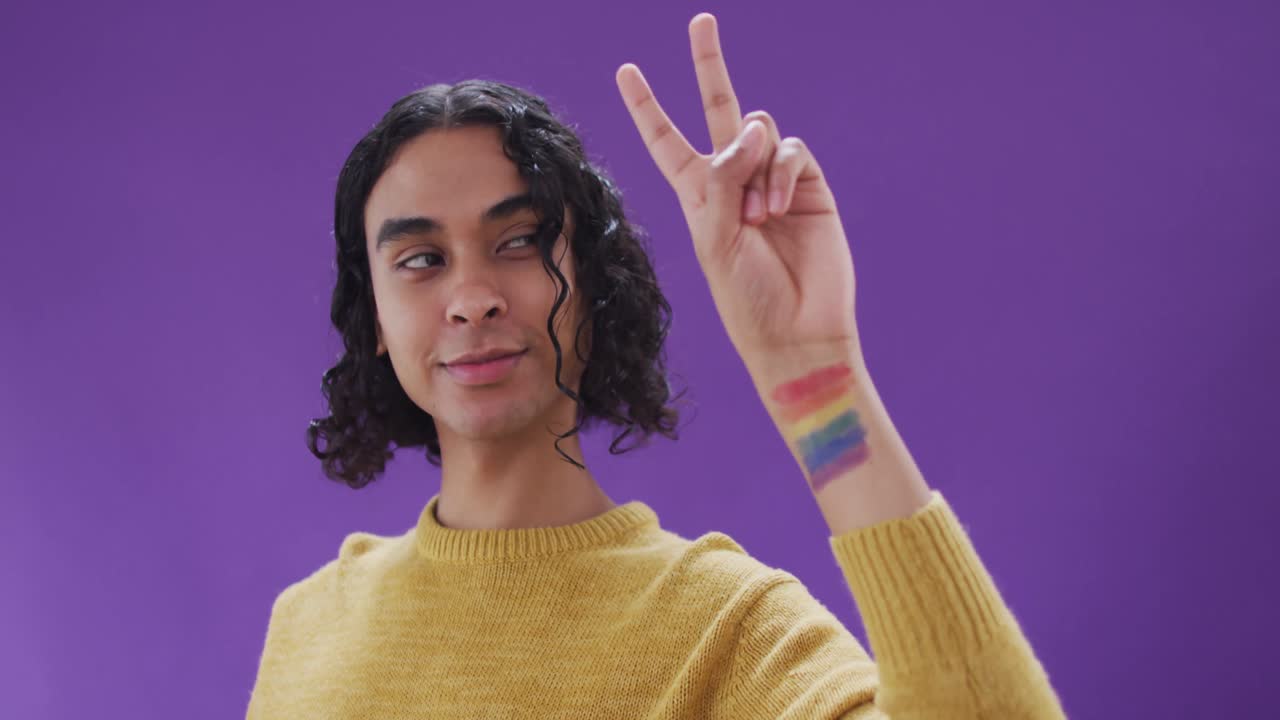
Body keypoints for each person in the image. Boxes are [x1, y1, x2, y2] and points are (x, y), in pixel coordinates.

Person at [246, 12, 1067, 719]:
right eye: (421, 259)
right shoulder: (311, 626)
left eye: (521, 241)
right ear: (376, 320)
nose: (472, 296)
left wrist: (817, 376)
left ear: (596, 287)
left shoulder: (724, 631)